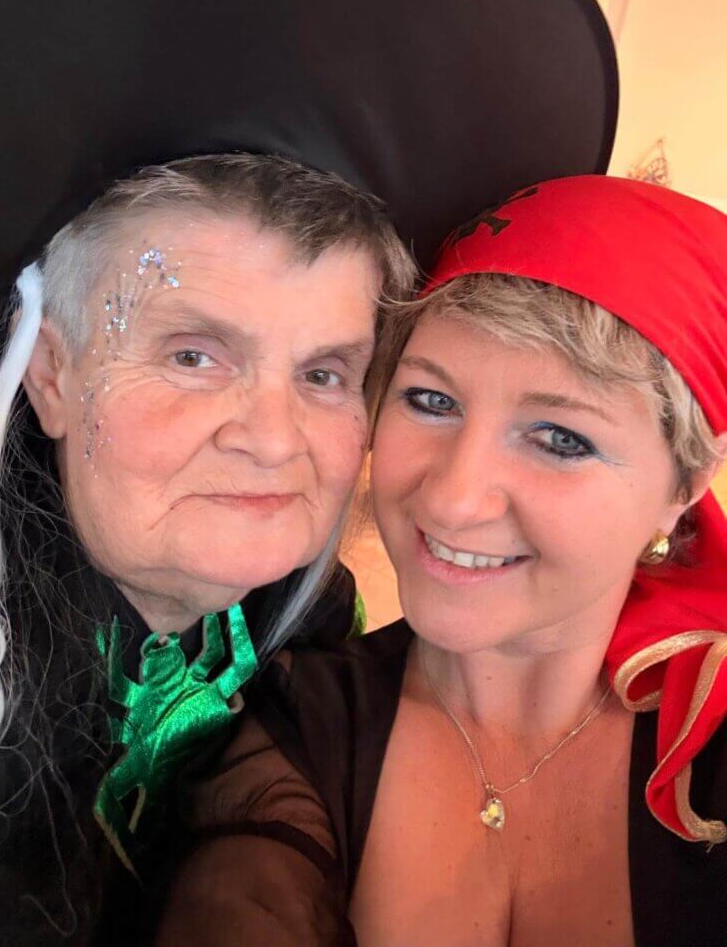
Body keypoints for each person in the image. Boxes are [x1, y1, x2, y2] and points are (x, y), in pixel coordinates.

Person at [0, 0, 617, 943]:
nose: (274, 441)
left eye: (323, 373)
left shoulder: (311, 631)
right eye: (195, 355)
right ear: (50, 374)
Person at [159, 176, 727, 947]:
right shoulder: (299, 719)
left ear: (683, 487)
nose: (454, 501)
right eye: (431, 401)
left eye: (561, 439)